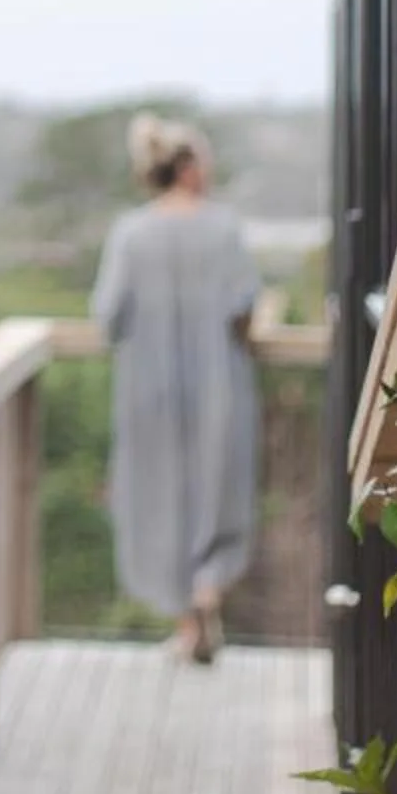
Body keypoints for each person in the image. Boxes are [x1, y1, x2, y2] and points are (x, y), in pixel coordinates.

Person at [89, 112, 262, 664]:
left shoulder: (131, 232)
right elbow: (243, 306)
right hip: (221, 384)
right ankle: (208, 585)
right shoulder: (224, 226)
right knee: (219, 487)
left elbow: (108, 316)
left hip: (148, 390)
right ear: (186, 167)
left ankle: (187, 620)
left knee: (157, 497)